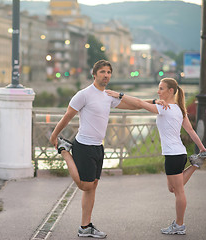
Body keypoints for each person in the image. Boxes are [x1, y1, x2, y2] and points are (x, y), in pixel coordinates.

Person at [50, 60, 149, 238]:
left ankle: (85, 226)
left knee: (93, 186)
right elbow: (67, 116)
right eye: (102, 72)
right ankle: (65, 151)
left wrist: (153, 102)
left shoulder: (109, 96)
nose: (106, 75)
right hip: (84, 145)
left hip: (98, 146)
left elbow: (136, 104)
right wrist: (54, 135)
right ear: (94, 74)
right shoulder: (84, 94)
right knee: (85, 185)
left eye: (109, 72)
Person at [106, 77, 206, 235]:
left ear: (170, 91)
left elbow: (140, 104)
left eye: (161, 88)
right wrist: (202, 148)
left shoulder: (166, 108)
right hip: (177, 153)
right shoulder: (178, 109)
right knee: (172, 188)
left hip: (174, 155)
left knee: (179, 191)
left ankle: (179, 225)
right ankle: (196, 163)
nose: (158, 91)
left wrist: (119, 95)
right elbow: (191, 131)